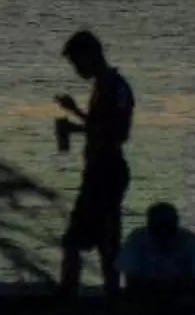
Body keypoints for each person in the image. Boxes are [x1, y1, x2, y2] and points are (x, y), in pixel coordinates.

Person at [53, 29, 135, 298]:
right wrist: (76, 118)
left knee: (89, 241)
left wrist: (76, 117)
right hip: (101, 171)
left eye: (77, 63)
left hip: (107, 172)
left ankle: (74, 298)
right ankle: (103, 295)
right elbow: (102, 127)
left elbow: (118, 133)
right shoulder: (104, 86)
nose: (77, 70)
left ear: (90, 56)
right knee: (102, 240)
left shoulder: (115, 87)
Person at [116, 201, 195, 315]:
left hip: (181, 297)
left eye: (167, 225)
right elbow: (132, 280)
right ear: (149, 224)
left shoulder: (190, 241)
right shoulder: (136, 239)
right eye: (159, 225)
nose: (163, 230)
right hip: (145, 297)